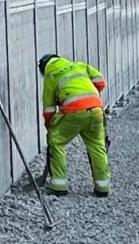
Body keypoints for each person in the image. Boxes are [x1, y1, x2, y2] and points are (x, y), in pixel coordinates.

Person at [38, 53, 111, 197]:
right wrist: (89, 94)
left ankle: (59, 186)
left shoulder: (51, 76)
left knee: (56, 141)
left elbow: (49, 109)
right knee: (97, 146)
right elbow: (101, 82)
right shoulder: (79, 65)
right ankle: (102, 188)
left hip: (73, 111)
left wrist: (50, 127)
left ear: (44, 68)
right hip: (96, 109)